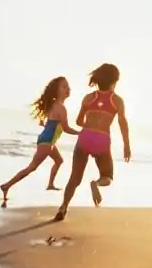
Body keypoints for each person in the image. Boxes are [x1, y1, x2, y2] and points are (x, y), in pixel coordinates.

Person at [54, 64, 131, 221]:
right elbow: (123, 123)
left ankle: (63, 207)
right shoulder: (117, 101)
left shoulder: (88, 98)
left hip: (85, 138)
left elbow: (78, 121)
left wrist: (90, 126)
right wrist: (126, 145)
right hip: (102, 139)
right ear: (114, 82)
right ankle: (96, 184)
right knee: (107, 176)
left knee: (74, 178)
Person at [0, 77, 79, 205]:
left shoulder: (54, 105)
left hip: (47, 140)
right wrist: (80, 133)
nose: (67, 89)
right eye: (64, 87)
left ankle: (50, 184)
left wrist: (44, 124)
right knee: (32, 168)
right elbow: (65, 128)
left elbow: (51, 124)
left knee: (59, 161)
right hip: (47, 142)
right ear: (56, 91)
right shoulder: (60, 108)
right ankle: (7, 185)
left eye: (68, 86)